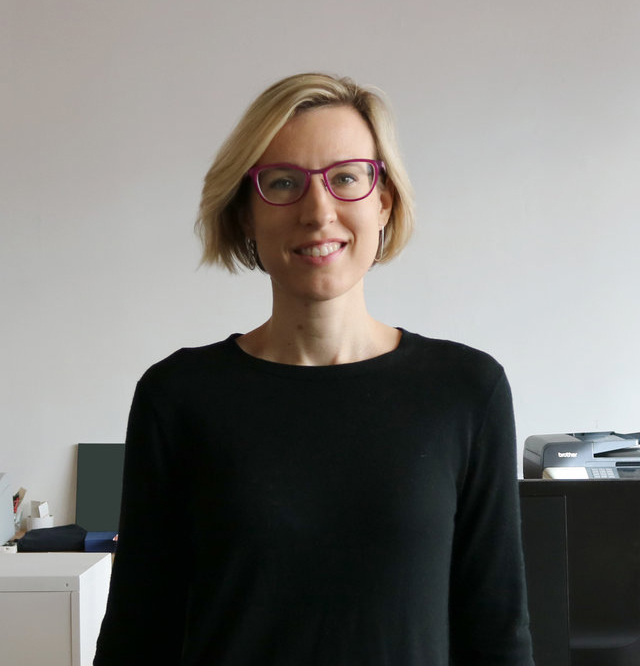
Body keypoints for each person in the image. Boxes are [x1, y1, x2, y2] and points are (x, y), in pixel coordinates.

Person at [93, 72, 533, 666]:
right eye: (282, 183)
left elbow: (496, 630)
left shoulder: (467, 390)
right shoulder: (178, 396)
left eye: (347, 178)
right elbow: (139, 631)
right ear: (246, 213)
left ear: (383, 201)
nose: (318, 211)